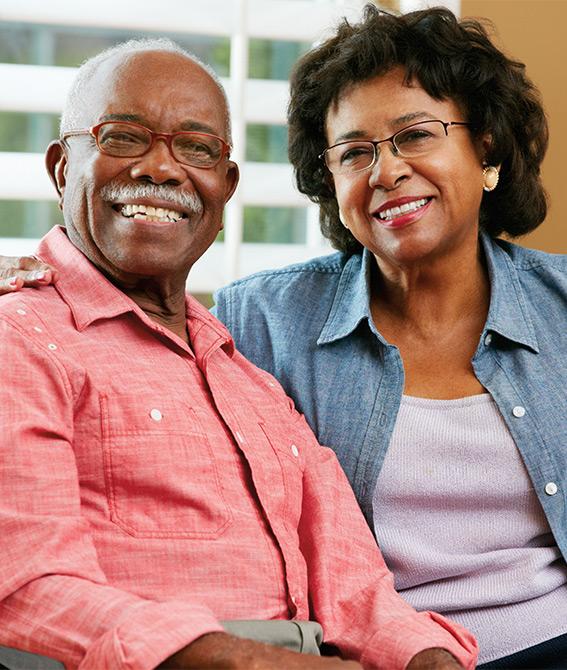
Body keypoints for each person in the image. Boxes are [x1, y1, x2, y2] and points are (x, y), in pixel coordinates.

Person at [0, 38, 478, 670]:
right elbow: (24, 585)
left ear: (225, 189)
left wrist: (428, 658)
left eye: (196, 148)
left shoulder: (247, 371)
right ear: (63, 168)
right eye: (123, 137)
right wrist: (245, 661)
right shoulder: (23, 337)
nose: (161, 170)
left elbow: (358, 590)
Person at [209, 6, 567, 669]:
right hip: (372, 656)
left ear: (484, 150)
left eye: (414, 135)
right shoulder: (260, 321)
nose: (386, 170)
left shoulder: (561, 305)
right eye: (354, 152)